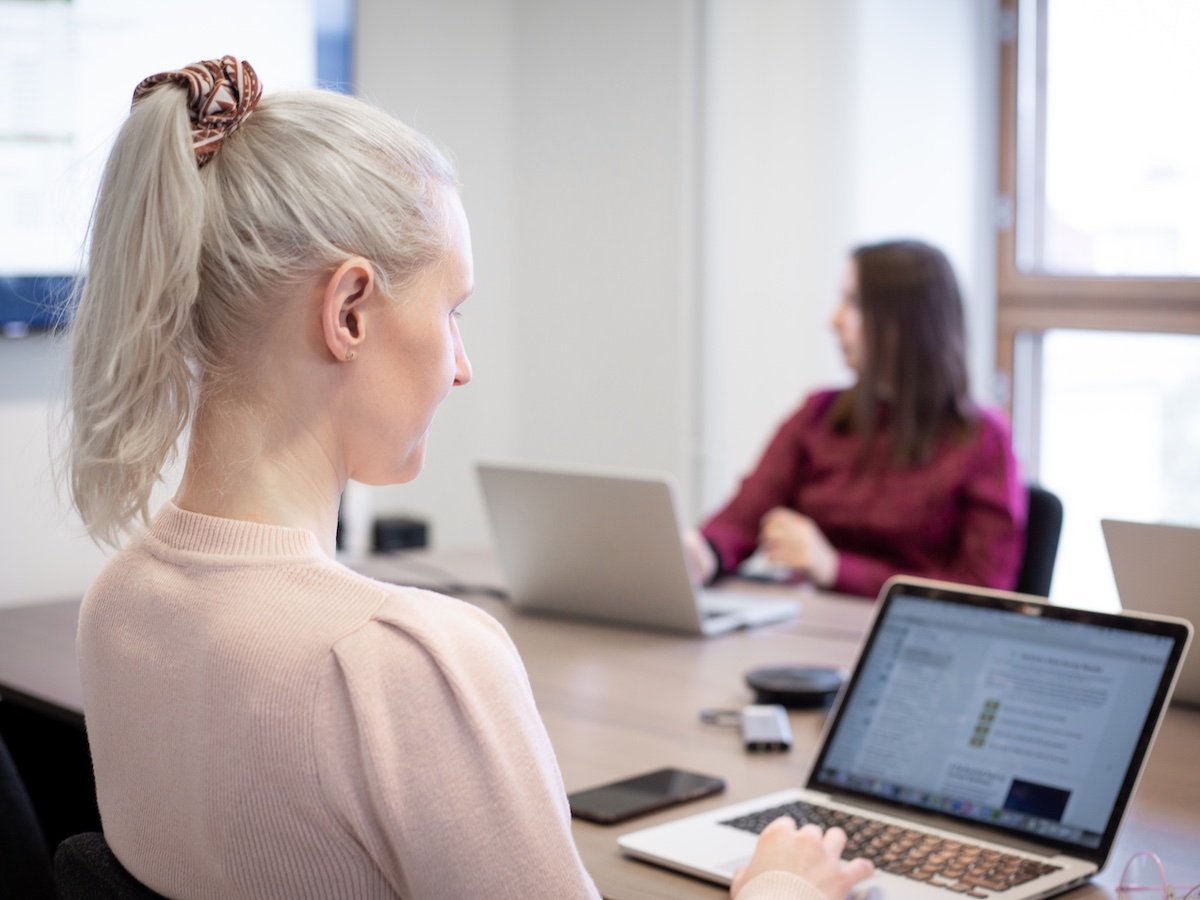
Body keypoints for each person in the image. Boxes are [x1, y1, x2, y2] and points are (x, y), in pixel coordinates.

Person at [64, 56, 872, 899]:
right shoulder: (400, 665)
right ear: (348, 312)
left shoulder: (116, 603)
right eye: (451, 313)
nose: (462, 366)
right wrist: (783, 888)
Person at [685, 240, 1026, 599]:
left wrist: (835, 568)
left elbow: (983, 591)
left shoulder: (982, 439)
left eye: (856, 304)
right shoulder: (818, 414)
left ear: (908, 322)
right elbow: (740, 520)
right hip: (813, 627)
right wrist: (700, 554)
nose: (834, 321)